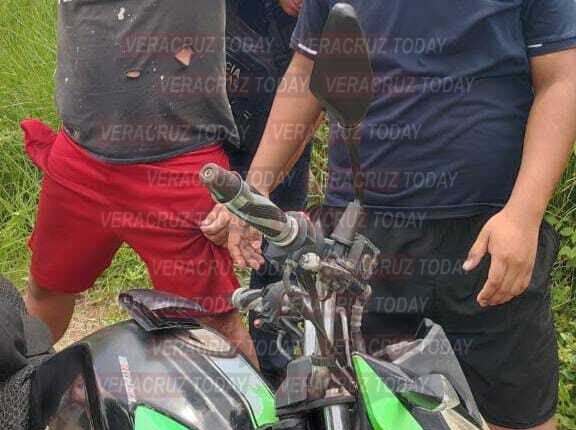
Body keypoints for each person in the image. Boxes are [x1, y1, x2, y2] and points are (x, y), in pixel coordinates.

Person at [225, 0, 576, 429]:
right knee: (365, 408)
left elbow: (561, 79)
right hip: (362, 239)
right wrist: (256, 190)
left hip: (488, 234)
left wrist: (523, 215)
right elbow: (306, 74)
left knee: (516, 414)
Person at [21, 0, 257, 365]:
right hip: (80, 156)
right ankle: (16, 387)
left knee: (214, 325)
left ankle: (254, 405)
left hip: (178, 164)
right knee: (46, 289)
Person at [201, 0, 315, 386]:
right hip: (213, 114)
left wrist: (253, 195)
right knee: (200, 239)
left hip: (284, 110)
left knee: (278, 247)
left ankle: (273, 368)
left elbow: (308, 108)